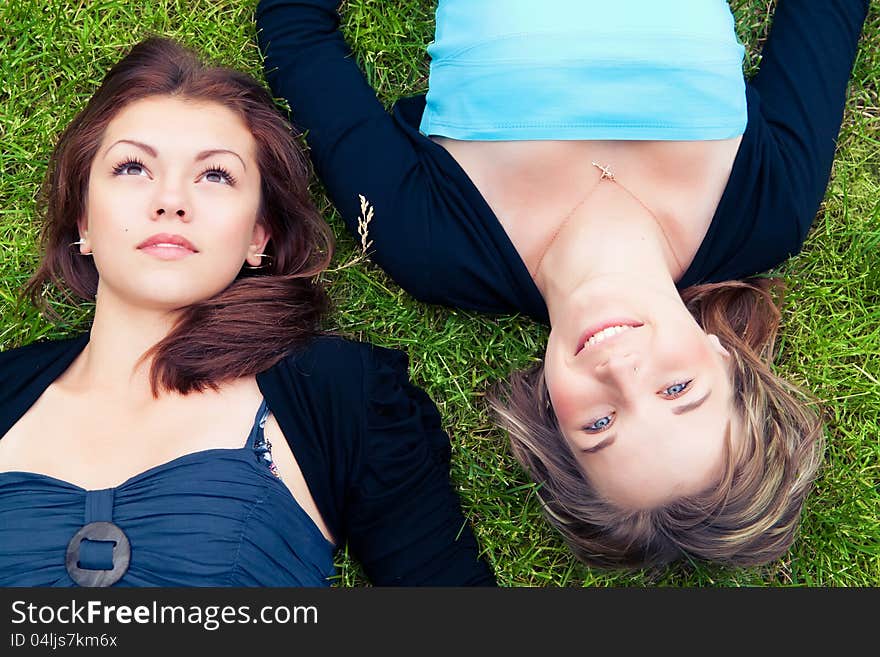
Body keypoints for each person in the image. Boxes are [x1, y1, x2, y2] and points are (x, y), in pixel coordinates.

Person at [255, 0, 871, 569]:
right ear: (726, 359)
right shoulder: (768, 208)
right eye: (678, 389)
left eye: (599, 425)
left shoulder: (430, 246)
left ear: (553, 415)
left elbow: (296, 32)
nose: (620, 371)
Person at [0, 36, 495, 587]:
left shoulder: (342, 396)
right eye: (133, 167)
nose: (171, 199)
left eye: (215, 175)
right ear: (83, 223)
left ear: (259, 236)